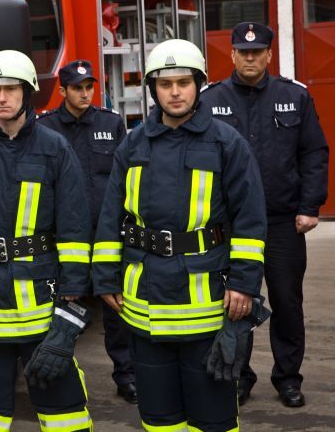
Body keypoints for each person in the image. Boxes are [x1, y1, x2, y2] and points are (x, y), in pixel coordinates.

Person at [92, 39, 267, 431]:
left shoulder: (226, 143)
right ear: (152, 87)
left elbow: (250, 219)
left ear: (199, 84)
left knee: (212, 417)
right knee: (159, 417)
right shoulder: (132, 144)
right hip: (144, 305)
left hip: (206, 304)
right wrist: (104, 275)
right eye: (165, 83)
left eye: (184, 82)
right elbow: (111, 215)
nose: (175, 92)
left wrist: (243, 283)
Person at [0, 50, 94, 432]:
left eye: (10, 89)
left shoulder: (54, 149)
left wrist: (72, 297)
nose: (2, 97)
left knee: (64, 413)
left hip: (40, 307)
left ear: (27, 93)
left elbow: (74, 227)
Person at [199, 22, 329, 407]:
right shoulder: (210, 100)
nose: (250, 57)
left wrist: (310, 206)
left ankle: (288, 378)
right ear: (233, 55)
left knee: (287, 302)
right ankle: (239, 377)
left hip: (283, 221)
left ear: (269, 55)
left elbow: (314, 153)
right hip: (231, 225)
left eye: (257, 52)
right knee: (236, 301)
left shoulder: (295, 97)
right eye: (243, 51)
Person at [37, 60, 137, 404]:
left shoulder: (111, 123)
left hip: (106, 235)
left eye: (89, 87)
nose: (84, 93)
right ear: (63, 91)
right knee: (64, 313)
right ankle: (58, 377)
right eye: (77, 88)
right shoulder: (46, 128)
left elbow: (125, 179)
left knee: (116, 311)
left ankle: (127, 377)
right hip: (63, 242)